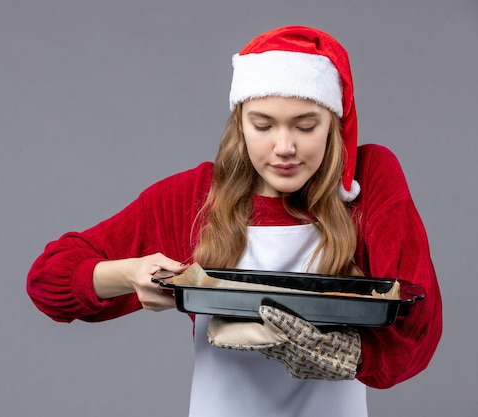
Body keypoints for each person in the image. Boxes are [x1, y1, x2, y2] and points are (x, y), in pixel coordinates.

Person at [26, 25, 442, 416]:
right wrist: (129, 273)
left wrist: (348, 353)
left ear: (334, 125)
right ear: (239, 125)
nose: (284, 147)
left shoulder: (367, 183)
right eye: (262, 125)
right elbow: (47, 281)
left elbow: (416, 333)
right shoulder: (194, 198)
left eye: (306, 126)